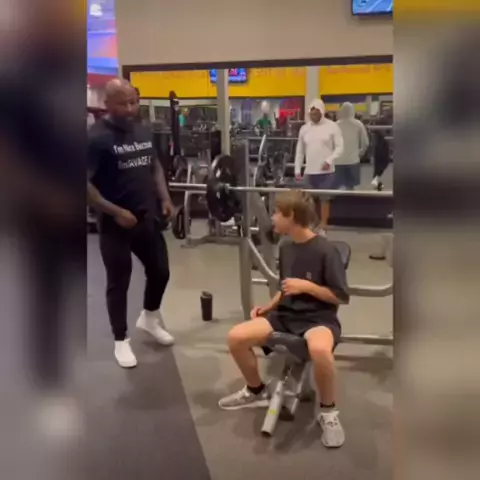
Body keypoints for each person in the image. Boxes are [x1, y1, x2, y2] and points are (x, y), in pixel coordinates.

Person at [218, 191, 349, 448]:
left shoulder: (327, 251)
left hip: (318, 318)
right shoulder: (286, 247)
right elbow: (285, 287)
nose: (273, 218)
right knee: (236, 337)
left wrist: (308, 287)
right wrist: (266, 307)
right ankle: (256, 391)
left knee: (320, 351)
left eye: (278, 213)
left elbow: (340, 296)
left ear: (292, 216)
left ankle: (328, 411)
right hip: (286, 314)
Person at [87, 78, 176, 368]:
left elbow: (154, 166)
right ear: (107, 104)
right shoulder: (96, 138)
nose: (130, 108)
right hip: (116, 225)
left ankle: (149, 317)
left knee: (160, 271)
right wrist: (115, 212)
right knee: (119, 281)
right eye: (123, 104)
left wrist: (164, 198)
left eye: (133, 102)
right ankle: (120, 339)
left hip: (146, 217)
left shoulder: (142, 130)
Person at [294, 99, 344, 236]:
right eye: (311, 113)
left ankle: (323, 227)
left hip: (326, 172)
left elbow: (340, 147)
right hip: (309, 171)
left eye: (316, 113)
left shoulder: (332, 127)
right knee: (308, 201)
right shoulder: (304, 129)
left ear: (322, 112)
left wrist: (329, 160)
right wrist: (297, 169)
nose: (313, 115)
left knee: (324, 200)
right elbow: (300, 151)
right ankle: (311, 224)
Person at [335, 102, 370, 190]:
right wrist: (359, 154)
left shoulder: (336, 125)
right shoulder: (358, 124)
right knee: (351, 187)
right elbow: (366, 143)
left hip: (338, 161)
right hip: (353, 160)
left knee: (337, 187)